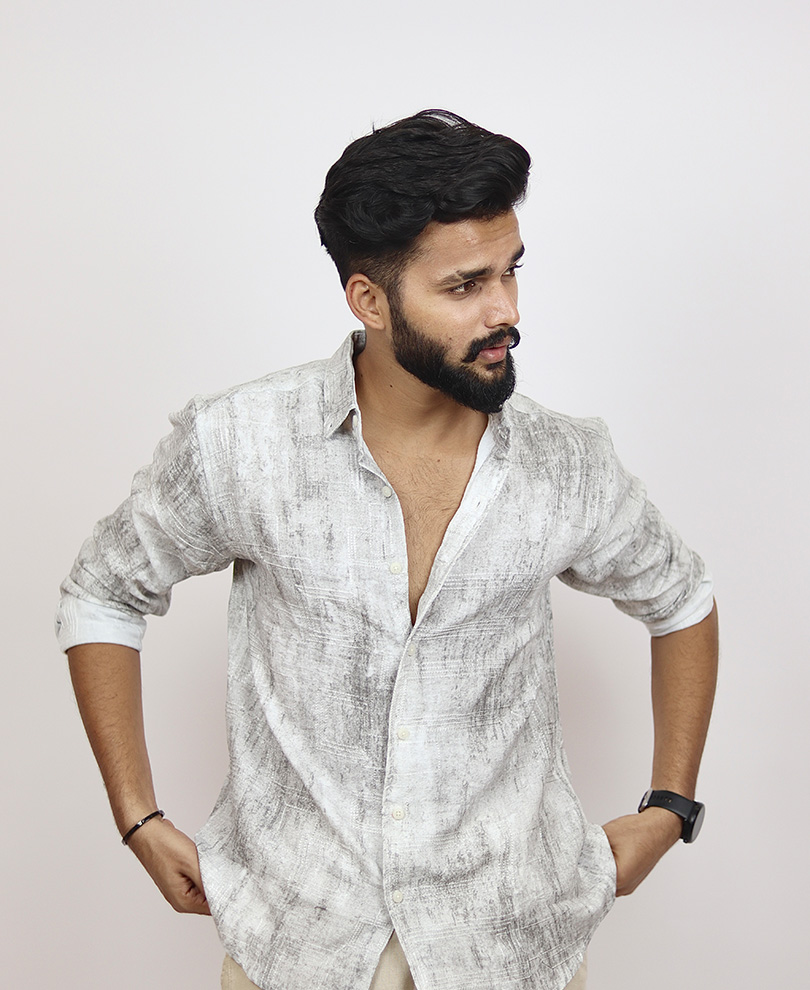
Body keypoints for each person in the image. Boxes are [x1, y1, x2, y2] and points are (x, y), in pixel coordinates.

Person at [57, 109, 718, 990]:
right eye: (465, 286)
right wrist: (137, 815)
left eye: (512, 271)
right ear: (369, 300)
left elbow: (681, 598)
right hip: (300, 944)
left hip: (510, 942)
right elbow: (104, 592)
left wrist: (670, 804)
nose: (507, 311)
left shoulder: (567, 463)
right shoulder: (243, 444)